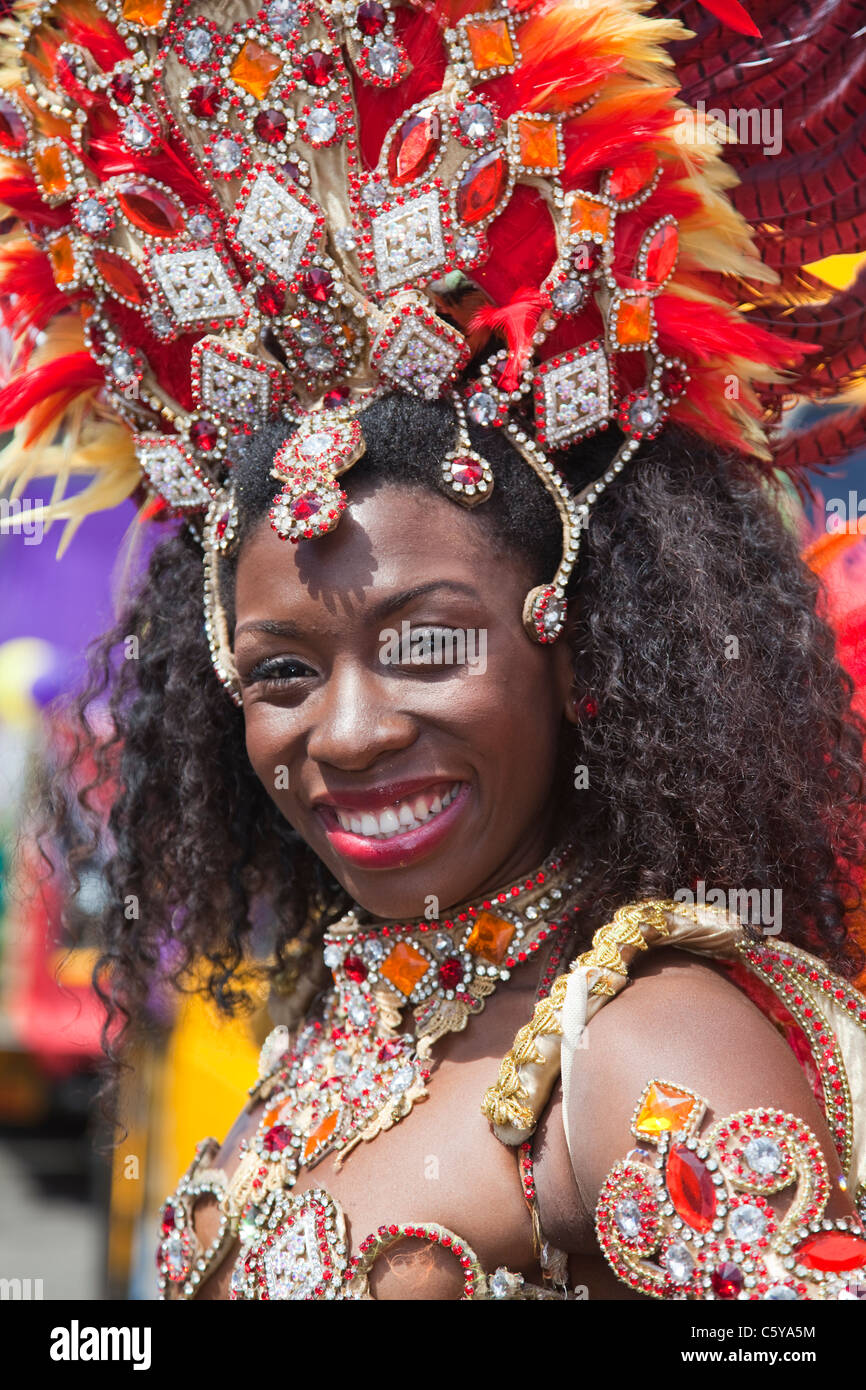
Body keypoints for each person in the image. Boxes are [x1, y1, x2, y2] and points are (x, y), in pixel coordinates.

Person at [2, 0, 866, 1300]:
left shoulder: (644, 1048)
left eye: (424, 646)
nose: (343, 732)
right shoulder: (341, 1023)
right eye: (283, 670)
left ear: (579, 648)